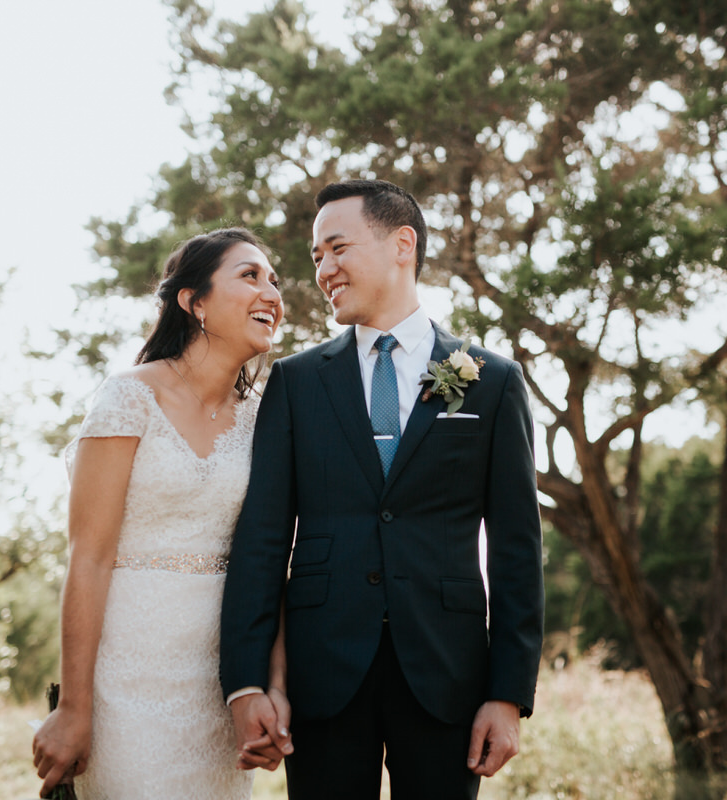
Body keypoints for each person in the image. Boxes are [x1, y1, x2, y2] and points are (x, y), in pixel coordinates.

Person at [220, 179, 544, 799]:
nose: (324, 269)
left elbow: (516, 550)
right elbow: (262, 536)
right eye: (316, 257)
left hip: (448, 673)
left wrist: (507, 694)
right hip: (322, 675)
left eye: (336, 248)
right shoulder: (295, 383)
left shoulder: (493, 381)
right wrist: (247, 679)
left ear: (402, 244)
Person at [32, 228, 286, 799]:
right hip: (127, 681)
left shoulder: (266, 418)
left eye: (275, 280)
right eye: (250, 275)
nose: (271, 292)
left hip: (222, 689)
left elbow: (272, 564)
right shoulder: (127, 396)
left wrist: (269, 685)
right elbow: (89, 557)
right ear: (193, 301)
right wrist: (74, 707)